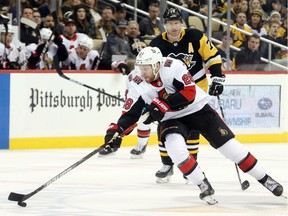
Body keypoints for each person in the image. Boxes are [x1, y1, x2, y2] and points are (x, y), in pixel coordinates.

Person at [102, 46, 284, 205]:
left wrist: (163, 104)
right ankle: (202, 184)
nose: (143, 72)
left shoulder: (173, 66)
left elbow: (188, 93)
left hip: (197, 109)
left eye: (147, 68)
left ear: (157, 65)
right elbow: (131, 113)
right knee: (176, 149)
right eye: (140, 68)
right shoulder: (136, 80)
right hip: (171, 119)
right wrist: (117, 131)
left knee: (232, 149)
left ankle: (265, 179)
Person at [148, 7, 224, 183]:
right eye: (169, 23)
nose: (174, 27)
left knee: (194, 126)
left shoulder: (195, 36)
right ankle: (167, 164)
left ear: (181, 23)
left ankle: (192, 164)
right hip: (170, 91)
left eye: (176, 23)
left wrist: (218, 78)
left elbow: (212, 57)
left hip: (196, 88)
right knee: (164, 124)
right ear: (164, 24)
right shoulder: (156, 44)